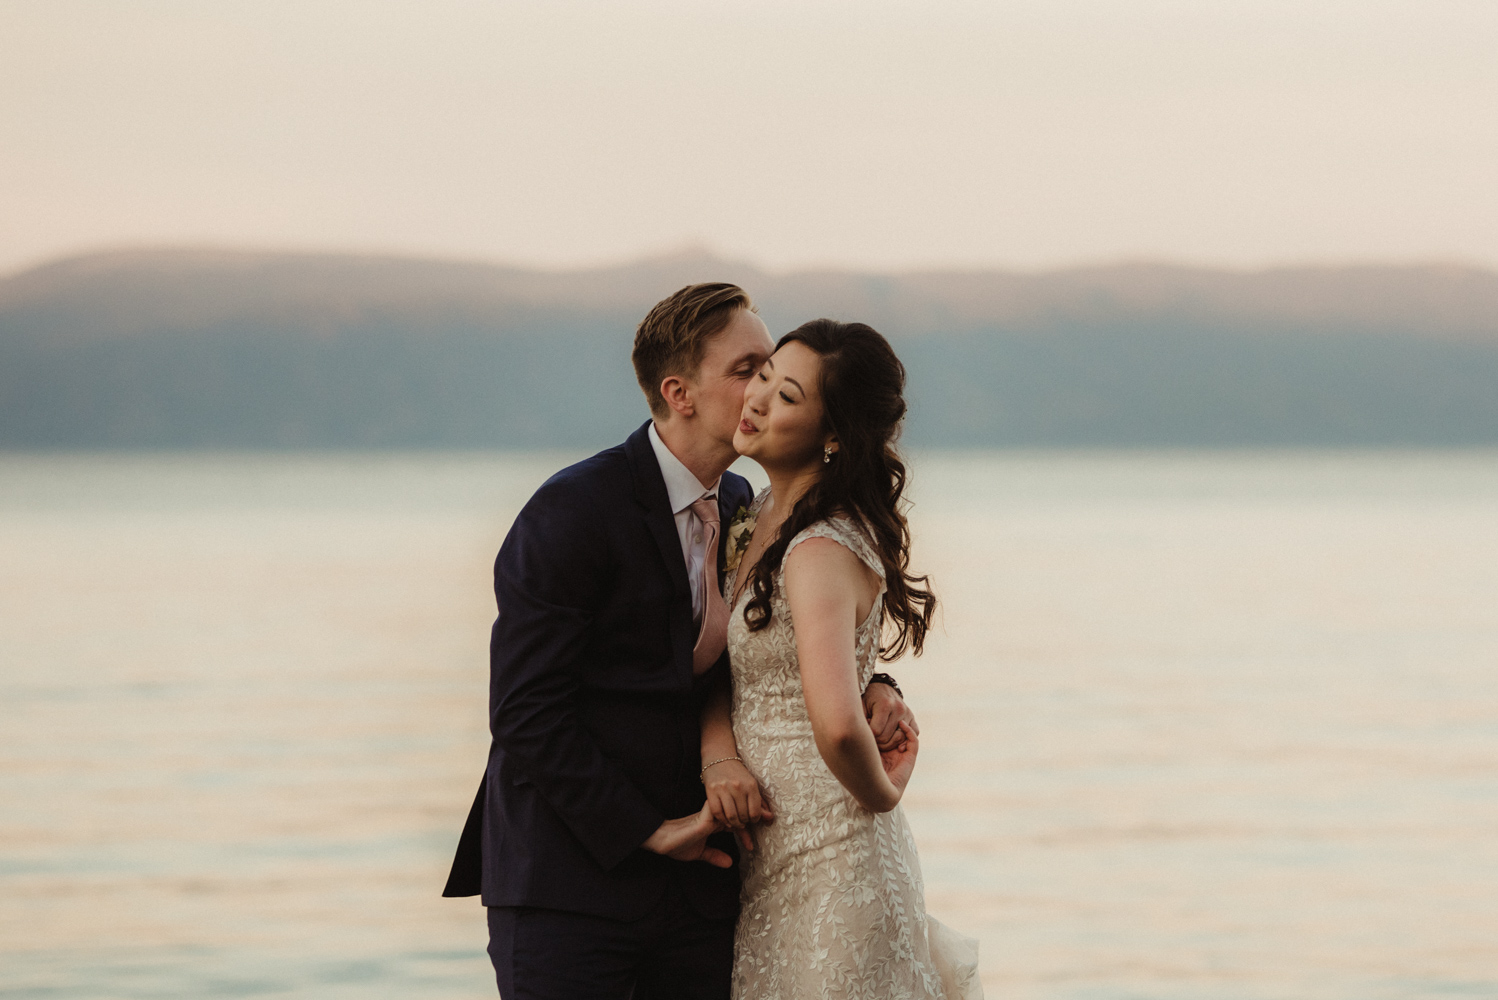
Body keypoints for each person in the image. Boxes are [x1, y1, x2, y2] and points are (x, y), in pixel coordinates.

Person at [441, 284, 917, 999]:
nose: (762, 388)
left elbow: (772, 657)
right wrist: (650, 830)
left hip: (711, 889)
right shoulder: (572, 511)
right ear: (679, 392)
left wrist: (878, 683)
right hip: (573, 887)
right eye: (748, 369)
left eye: (773, 376)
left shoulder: (743, 511)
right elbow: (525, 712)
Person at [700, 319, 982, 999]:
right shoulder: (756, 511)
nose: (759, 399)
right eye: (763, 376)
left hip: (836, 857)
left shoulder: (819, 547)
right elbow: (739, 672)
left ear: (834, 434)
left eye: (788, 395)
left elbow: (835, 724)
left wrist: (883, 796)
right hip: (776, 861)